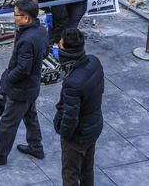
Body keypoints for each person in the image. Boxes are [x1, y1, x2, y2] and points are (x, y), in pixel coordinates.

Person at [0, 0, 48, 165]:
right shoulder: (41, 30)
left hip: (20, 90)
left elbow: (23, 68)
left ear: (26, 18)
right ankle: (36, 147)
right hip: (32, 86)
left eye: (16, 15)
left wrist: (7, 80)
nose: (14, 17)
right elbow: (44, 53)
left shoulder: (26, 39)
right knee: (30, 116)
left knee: (8, 123)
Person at [54, 28, 104, 186]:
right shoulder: (93, 61)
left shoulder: (72, 83)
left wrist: (65, 134)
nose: (57, 46)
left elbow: (70, 116)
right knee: (87, 169)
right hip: (94, 126)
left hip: (79, 135)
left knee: (70, 175)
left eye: (60, 44)